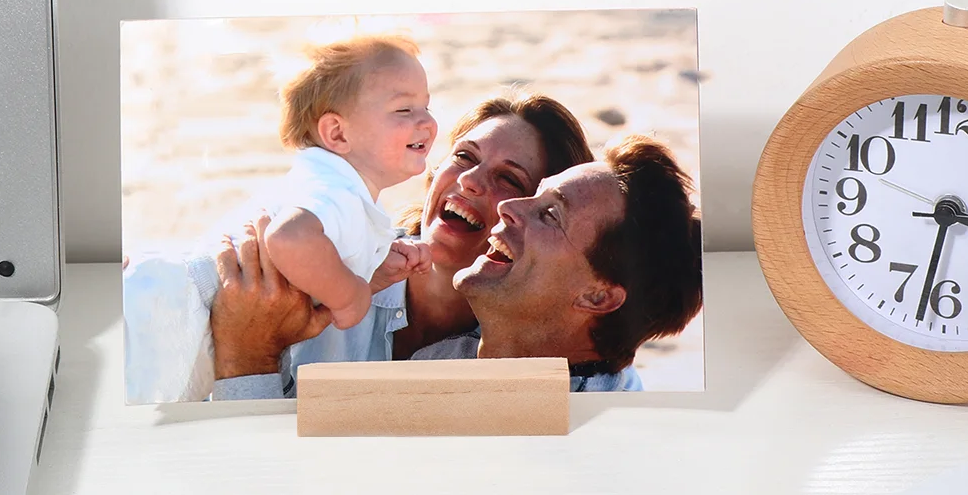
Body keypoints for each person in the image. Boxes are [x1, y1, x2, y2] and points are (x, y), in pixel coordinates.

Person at [201, 94, 595, 400]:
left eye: (510, 179)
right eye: (463, 157)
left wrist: (247, 354)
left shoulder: (528, 353)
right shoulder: (328, 257)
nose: (470, 181)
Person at [409, 136, 703, 389]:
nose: (506, 207)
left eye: (549, 215)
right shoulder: (444, 359)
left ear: (598, 296)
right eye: (536, 195)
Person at [263, 33, 437, 331]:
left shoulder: (331, 184)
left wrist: (371, 273)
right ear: (338, 134)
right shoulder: (336, 191)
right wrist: (349, 298)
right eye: (403, 110)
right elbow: (288, 236)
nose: (427, 123)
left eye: (427, 107)